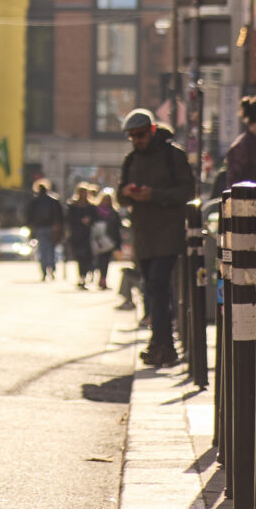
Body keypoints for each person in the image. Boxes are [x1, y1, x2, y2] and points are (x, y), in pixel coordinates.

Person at [117, 108, 194, 367]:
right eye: (132, 136)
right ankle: (162, 345)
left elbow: (187, 191)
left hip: (168, 233)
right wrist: (128, 193)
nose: (137, 140)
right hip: (144, 234)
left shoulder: (173, 156)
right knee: (153, 290)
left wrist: (154, 195)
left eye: (140, 134)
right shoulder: (131, 160)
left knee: (158, 286)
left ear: (152, 130)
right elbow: (120, 195)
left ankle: (162, 345)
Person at [26, 178, 63, 281]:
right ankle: (52, 270)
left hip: (40, 228)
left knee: (42, 251)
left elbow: (29, 216)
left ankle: (44, 271)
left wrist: (31, 227)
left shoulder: (34, 201)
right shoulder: (54, 200)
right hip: (52, 228)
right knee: (51, 250)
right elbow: (60, 216)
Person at [64, 185, 100, 288]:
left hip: (89, 235)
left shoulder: (91, 206)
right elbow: (68, 219)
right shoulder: (73, 206)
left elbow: (96, 219)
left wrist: (90, 220)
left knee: (88, 257)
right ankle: (82, 277)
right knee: (80, 256)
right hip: (77, 235)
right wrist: (80, 221)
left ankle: (87, 273)